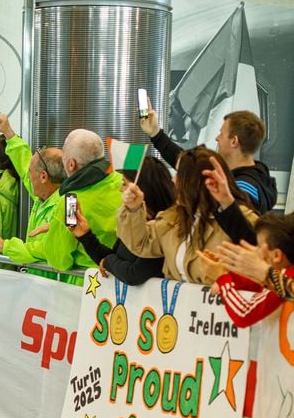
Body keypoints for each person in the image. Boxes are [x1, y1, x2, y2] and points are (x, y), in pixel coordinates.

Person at [117, 147, 257, 284]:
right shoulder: (174, 217)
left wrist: (227, 203)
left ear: (193, 181)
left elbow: (259, 261)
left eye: (178, 174)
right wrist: (133, 210)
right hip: (177, 306)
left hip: (219, 305)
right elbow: (141, 243)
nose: (173, 180)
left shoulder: (241, 219)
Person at [0, 114, 66, 282]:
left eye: (31, 174)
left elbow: (47, 248)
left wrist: (3, 246)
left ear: (44, 177)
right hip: (38, 283)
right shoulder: (43, 195)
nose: (26, 178)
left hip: (57, 288)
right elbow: (25, 164)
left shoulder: (67, 206)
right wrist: (8, 133)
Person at [140, 105, 277, 213]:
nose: (217, 138)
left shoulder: (244, 189)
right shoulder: (229, 176)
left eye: (221, 134)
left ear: (234, 141)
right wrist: (155, 133)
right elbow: (188, 165)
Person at [28, 129, 124, 274]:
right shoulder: (124, 184)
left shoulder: (70, 202)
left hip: (85, 286)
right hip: (123, 283)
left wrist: (55, 231)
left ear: (71, 164)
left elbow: (59, 261)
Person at [70, 157, 175, 285]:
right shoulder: (133, 222)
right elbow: (115, 258)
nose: (120, 189)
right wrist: (85, 236)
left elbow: (133, 273)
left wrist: (109, 262)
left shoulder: (164, 225)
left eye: (124, 183)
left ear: (141, 189)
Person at [199, 213, 294, 326]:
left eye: (258, 246)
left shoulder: (286, 275)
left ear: (277, 255)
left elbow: (244, 314)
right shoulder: (282, 274)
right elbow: (254, 283)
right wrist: (227, 272)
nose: (255, 251)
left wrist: (222, 278)